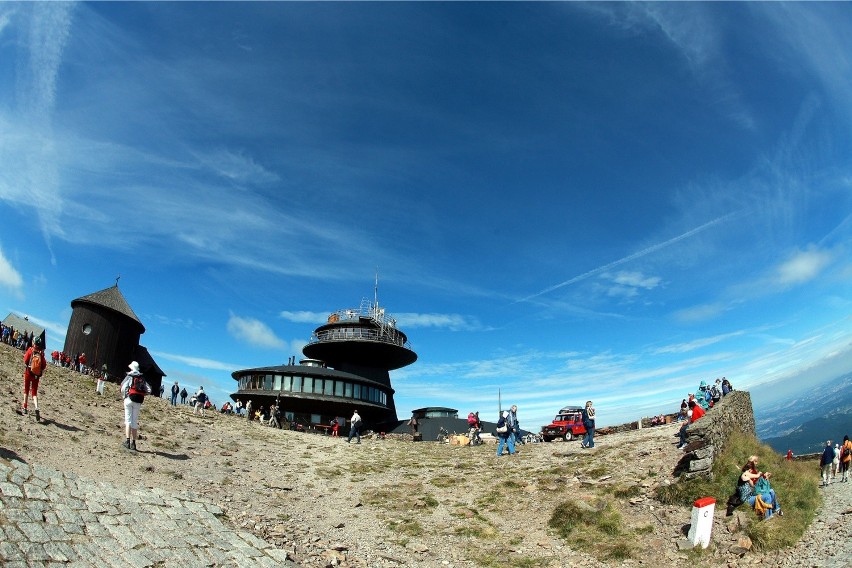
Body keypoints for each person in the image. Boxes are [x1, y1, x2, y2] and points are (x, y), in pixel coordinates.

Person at [738, 455, 782, 519]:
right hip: (748, 497)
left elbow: (754, 482)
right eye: (755, 461)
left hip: (752, 492)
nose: (757, 463)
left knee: (771, 492)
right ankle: (768, 516)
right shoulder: (745, 474)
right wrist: (760, 476)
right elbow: (751, 478)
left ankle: (773, 511)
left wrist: (763, 477)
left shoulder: (750, 472)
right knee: (768, 495)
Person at [120, 361, 151, 451]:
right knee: (134, 421)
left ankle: (127, 442)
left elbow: (122, 387)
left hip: (129, 399)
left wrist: (125, 396)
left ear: (131, 368)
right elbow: (149, 390)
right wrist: (142, 394)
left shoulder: (129, 376)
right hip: (138, 401)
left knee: (128, 421)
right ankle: (134, 444)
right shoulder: (142, 378)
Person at [21, 336, 47, 421]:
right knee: (34, 392)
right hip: (36, 375)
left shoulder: (30, 350)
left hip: (29, 372)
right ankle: (36, 407)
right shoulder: (41, 353)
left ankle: (25, 407)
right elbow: (44, 365)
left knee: (26, 389)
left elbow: (25, 360)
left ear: (33, 343)